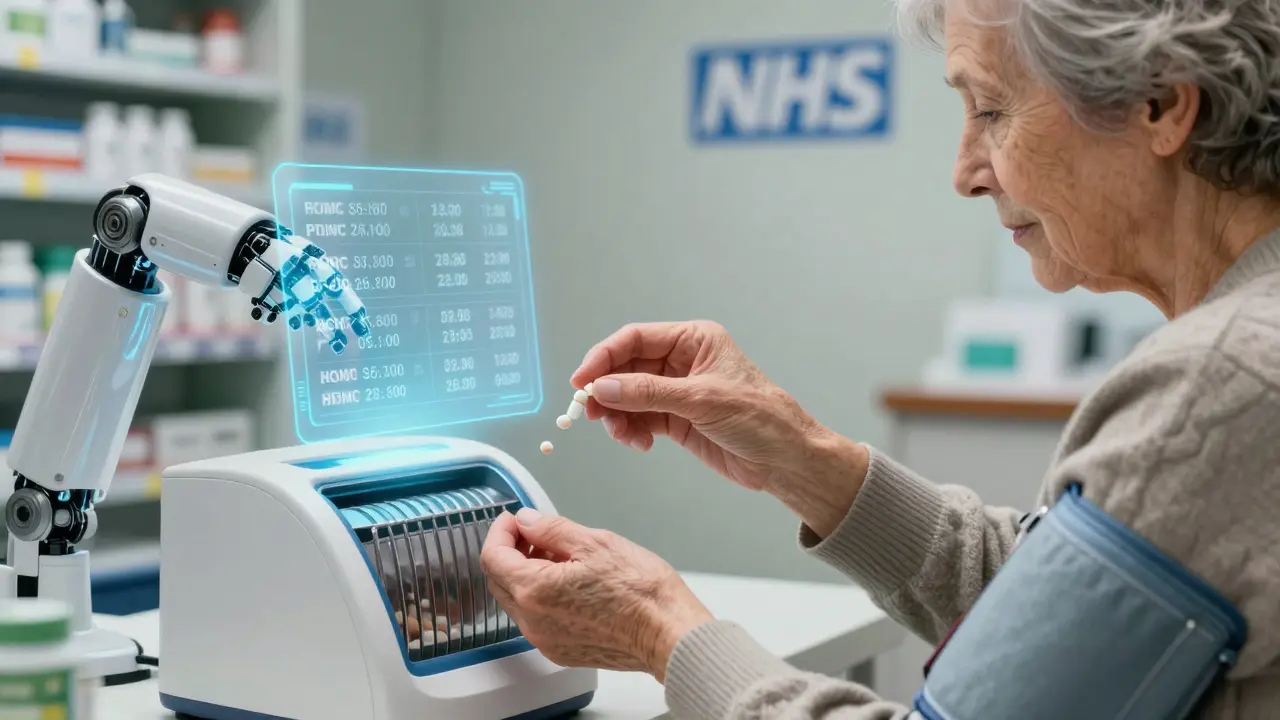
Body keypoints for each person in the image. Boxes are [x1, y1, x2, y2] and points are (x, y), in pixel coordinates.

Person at [479, 0, 1280, 716]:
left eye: (991, 108)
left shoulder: (1224, 384)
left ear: (1158, 103)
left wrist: (660, 629)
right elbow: (1065, 617)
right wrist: (801, 455)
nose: (965, 174)